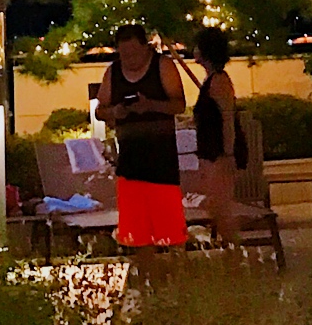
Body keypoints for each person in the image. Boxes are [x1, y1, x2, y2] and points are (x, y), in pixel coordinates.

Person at [97, 23, 187, 265]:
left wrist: (151, 105)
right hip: (130, 161)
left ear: (145, 48)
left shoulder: (162, 66)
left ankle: (179, 271)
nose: (130, 60)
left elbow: (179, 104)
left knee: (170, 227)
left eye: (134, 53)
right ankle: (147, 272)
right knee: (137, 232)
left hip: (161, 160)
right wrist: (114, 111)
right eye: (124, 54)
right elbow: (100, 110)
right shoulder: (113, 73)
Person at [191, 26, 239, 247]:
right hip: (210, 152)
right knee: (216, 206)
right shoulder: (211, 80)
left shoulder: (219, 81)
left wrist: (228, 154)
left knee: (221, 207)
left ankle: (234, 250)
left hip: (218, 153)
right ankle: (229, 249)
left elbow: (227, 119)